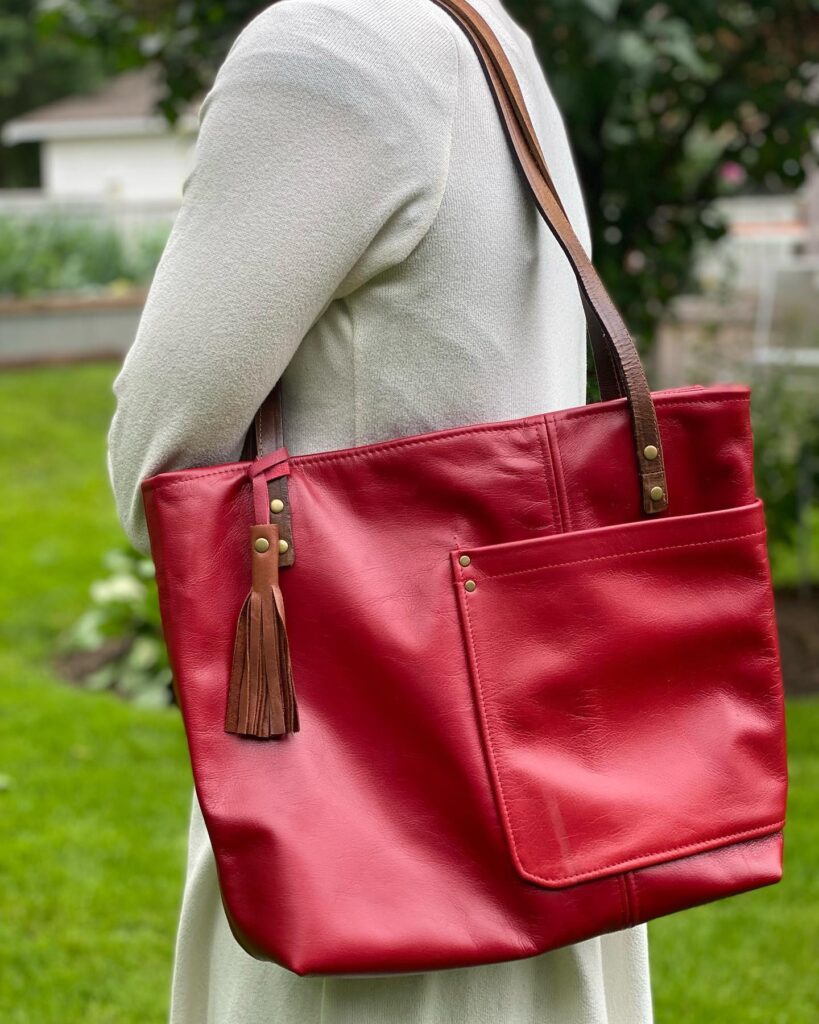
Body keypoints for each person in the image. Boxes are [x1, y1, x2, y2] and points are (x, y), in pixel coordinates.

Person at [107, 0, 654, 1021]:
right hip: (541, 777)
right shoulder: (486, 33)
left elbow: (163, 464)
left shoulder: (326, 45)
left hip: (371, 803)